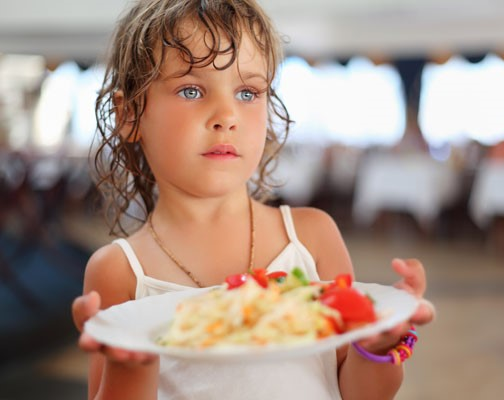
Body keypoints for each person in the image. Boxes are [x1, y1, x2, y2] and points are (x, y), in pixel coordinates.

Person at [71, 0, 435, 399]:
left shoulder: (310, 238)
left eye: (247, 92)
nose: (227, 116)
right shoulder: (120, 271)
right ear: (129, 115)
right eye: (191, 90)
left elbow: (361, 394)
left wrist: (378, 345)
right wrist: (130, 366)